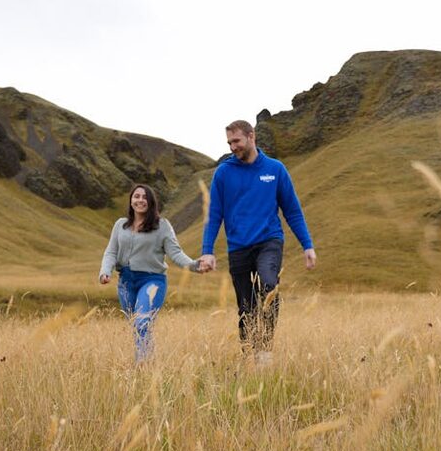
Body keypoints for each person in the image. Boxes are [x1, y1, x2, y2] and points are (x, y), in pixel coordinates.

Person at [199, 120, 316, 367]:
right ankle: (248, 358)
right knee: (246, 307)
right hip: (238, 247)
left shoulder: (275, 169)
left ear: (251, 137)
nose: (233, 147)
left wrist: (307, 245)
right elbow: (214, 215)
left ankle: (265, 352)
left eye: (236, 141)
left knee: (269, 286)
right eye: (229, 142)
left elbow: (292, 211)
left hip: (269, 241)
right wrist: (207, 251)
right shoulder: (223, 173)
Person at [99, 184, 202, 362]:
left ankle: (143, 365)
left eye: (144, 197)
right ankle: (147, 363)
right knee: (137, 327)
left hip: (152, 281)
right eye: (136, 196)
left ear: (151, 202)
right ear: (131, 200)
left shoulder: (162, 226)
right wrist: (105, 271)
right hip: (125, 281)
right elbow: (111, 252)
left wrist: (194, 265)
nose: (140, 200)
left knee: (142, 322)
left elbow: (175, 253)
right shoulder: (120, 225)